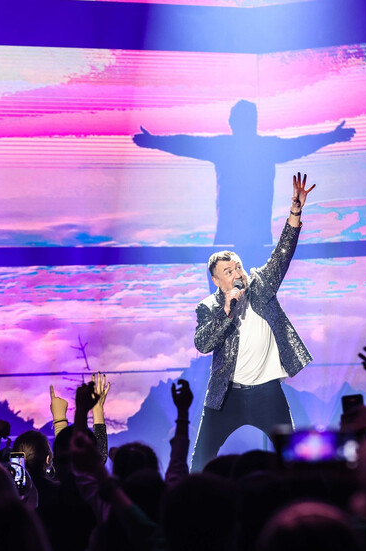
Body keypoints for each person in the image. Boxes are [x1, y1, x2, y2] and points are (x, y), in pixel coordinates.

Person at [191, 172, 315, 472]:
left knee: (292, 459)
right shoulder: (208, 307)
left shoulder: (261, 285)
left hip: (267, 393)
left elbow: (282, 253)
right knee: (200, 462)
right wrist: (227, 310)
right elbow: (203, 344)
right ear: (217, 281)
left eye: (238, 267)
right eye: (229, 271)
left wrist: (295, 212)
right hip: (226, 395)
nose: (237, 274)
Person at [134, 100, 354, 268]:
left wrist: (154, 141)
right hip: (252, 239)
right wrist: (332, 137)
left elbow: (187, 144)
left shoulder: (229, 147)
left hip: (235, 238)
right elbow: (300, 145)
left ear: (232, 123)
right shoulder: (262, 148)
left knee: (228, 305)